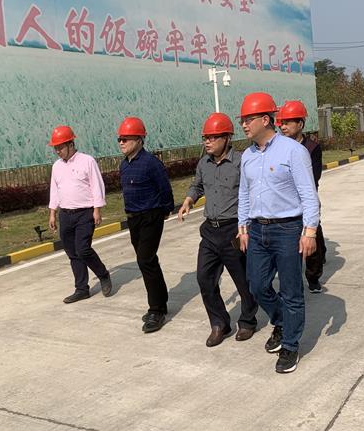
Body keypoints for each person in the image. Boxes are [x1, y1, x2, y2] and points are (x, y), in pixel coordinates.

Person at [237, 92, 320, 374]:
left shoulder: (293, 151)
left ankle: (291, 345)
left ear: (265, 119)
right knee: (257, 285)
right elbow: (244, 193)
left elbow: (308, 194)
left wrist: (310, 231)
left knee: (291, 291)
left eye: (248, 119)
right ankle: (282, 322)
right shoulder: (247, 156)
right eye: (242, 120)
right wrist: (243, 227)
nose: (244, 125)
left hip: (288, 229)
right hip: (257, 229)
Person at [178, 112, 259, 347]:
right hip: (210, 232)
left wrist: (248, 227)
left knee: (243, 281)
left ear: (227, 138)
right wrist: (189, 200)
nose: (208, 142)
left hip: (234, 230)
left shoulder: (241, 162)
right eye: (205, 137)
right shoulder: (203, 163)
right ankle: (219, 323)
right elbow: (197, 185)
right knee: (204, 279)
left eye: (213, 137)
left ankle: (247, 320)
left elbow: (253, 192)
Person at [117, 116, 174, 333]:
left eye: (126, 139)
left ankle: (156, 310)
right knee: (148, 261)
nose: (121, 143)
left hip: (151, 216)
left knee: (145, 260)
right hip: (133, 219)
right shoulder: (124, 164)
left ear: (139, 139)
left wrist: (166, 210)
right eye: (119, 139)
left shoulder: (151, 163)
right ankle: (162, 300)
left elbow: (165, 188)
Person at [47, 125, 112, 304]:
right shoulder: (57, 166)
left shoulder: (87, 161)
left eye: (60, 147)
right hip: (65, 214)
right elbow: (55, 190)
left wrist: (97, 210)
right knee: (72, 253)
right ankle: (82, 289)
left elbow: (97, 186)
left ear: (71, 144)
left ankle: (103, 274)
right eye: (55, 148)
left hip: (85, 213)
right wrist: (52, 213)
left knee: (83, 249)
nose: (58, 151)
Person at [277, 100, 327, 293]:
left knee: (312, 237)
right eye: (281, 123)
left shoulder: (312, 147)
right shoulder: (278, 147)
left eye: (288, 122)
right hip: (284, 202)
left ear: (300, 124)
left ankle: (313, 277)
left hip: (306, 199)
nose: (283, 127)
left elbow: (313, 177)